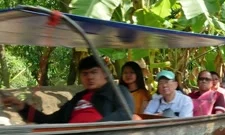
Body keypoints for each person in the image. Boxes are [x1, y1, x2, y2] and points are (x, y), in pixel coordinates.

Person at [1, 56, 134, 124]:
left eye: (94, 72)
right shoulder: (79, 97)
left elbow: (126, 114)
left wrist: (92, 129)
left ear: (105, 73)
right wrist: (23, 107)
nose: (89, 77)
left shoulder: (118, 91)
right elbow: (53, 120)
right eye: (85, 74)